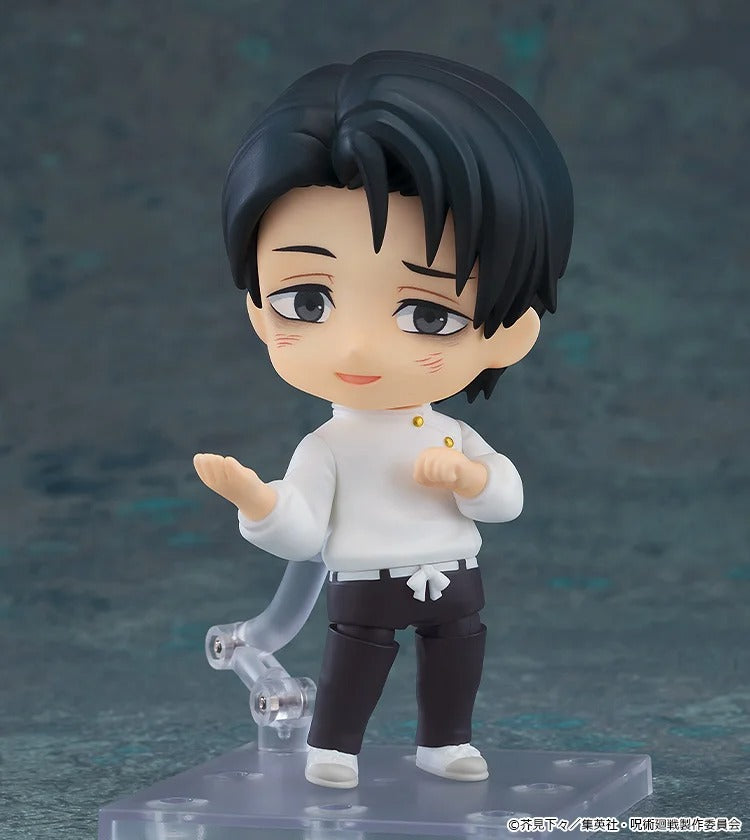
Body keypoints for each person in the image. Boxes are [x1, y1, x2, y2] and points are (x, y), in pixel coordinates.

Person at [194, 50, 574, 790]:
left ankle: (446, 742)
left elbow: (505, 497)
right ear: (259, 311)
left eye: (427, 314)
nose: (358, 347)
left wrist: (471, 479)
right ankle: (334, 748)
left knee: (457, 657)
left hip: (453, 572)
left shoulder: (453, 435)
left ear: (509, 333)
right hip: (364, 579)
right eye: (307, 302)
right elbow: (304, 533)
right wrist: (260, 502)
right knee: (354, 662)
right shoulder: (326, 446)